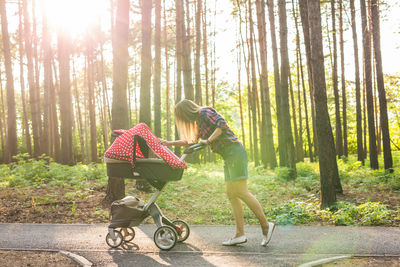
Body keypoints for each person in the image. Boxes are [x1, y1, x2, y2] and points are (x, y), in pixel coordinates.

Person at [159, 99, 275, 246]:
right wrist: (168, 143)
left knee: (241, 191)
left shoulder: (204, 112)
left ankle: (266, 225)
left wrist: (208, 141)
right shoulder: (198, 124)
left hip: (235, 152)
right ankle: (239, 234)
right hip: (229, 157)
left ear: (186, 112)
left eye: (182, 117)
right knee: (231, 194)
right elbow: (191, 140)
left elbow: (221, 126)